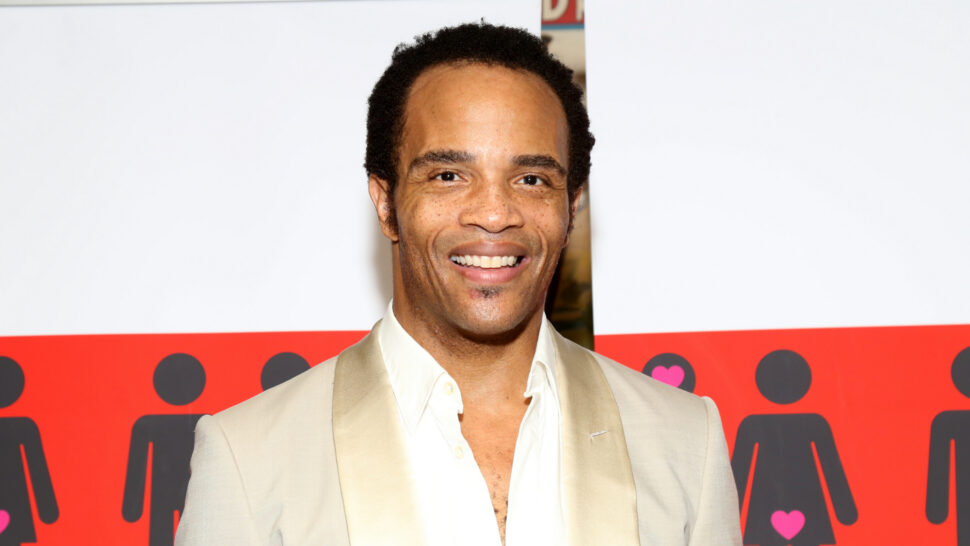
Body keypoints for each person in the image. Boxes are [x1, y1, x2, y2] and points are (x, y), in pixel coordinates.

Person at [175, 23, 741, 546]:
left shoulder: (684, 441)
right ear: (385, 203)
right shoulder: (250, 457)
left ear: (571, 208)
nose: (494, 214)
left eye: (531, 178)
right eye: (448, 175)